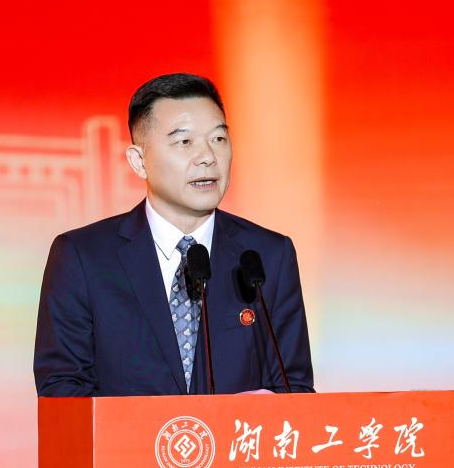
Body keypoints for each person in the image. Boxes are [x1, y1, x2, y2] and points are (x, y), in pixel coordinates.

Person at [33, 73, 314, 396]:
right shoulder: (83, 257)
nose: (208, 157)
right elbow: (62, 391)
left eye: (218, 139)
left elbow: (294, 390)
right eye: (184, 142)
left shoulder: (267, 256)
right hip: (126, 433)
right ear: (139, 161)